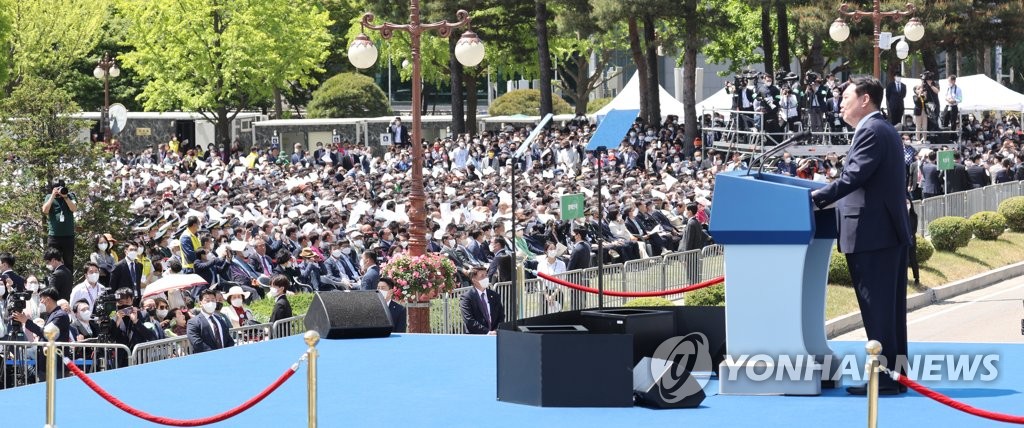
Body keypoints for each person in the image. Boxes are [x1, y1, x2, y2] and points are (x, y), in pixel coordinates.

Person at [810, 76, 911, 396]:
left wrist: (813, 199)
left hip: (872, 233)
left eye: (846, 97)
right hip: (883, 232)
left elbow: (853, 178)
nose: (840, 103)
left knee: (878, 309)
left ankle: (885, 379)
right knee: (888, 311)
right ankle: (896, 376)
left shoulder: (871, 130)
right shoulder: (883, 128)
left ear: (865, 99)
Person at [12, 287, 70, 380]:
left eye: (41, 299)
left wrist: (26, 321)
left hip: (55, 364)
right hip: (46, 364)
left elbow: (47, 333)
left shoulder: (60, 315)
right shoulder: (51, 315)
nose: (40, 302)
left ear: (48, 299)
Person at [42, 179, 78, 269]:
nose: (59, 190)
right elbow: (45, 210)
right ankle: (54, 281)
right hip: (54, 236)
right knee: (53, 262)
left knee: (68, 262)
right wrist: (53, 196)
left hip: (68, 236)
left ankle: (68, 282)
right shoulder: (49, 196)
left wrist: (65, 197)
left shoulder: (70, 196)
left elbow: (74, 209)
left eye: (60, 188)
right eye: (56, 188)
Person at [186, 288, 234, 353]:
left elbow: (228, 339)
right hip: (206, 359)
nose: (211, 303)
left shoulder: (220, 319)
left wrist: (227, 352)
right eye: (207, 300)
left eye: (213, 300)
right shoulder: (193, 322)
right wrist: (215, 354)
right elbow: (197, 343)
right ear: (200, 303)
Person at [459, 266, 504, 335]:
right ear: (474, 279)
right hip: (476, 337)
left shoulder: (494, 295)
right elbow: (469, 320)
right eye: (482, 276)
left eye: (486, 275)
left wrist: (496, 330)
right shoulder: (467, 297)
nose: (486, 278)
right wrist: (487, 332)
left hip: (494, 336)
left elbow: (501, 316)